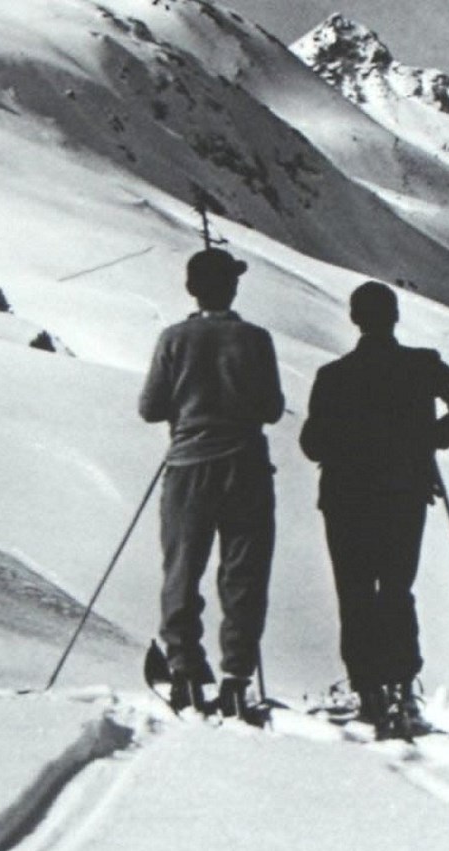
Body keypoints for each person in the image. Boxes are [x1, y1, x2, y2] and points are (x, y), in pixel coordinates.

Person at [299, 281, 449, 733]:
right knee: (397, 588)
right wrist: (430, 441)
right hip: (404, 492)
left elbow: (311, 443)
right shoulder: (421, 366)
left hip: (346, 498)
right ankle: (402, 686)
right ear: (395, 316)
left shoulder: (334, 376)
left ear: (355, 319)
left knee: (356, 591)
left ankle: (369, 692)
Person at [139, 247, 284, 718]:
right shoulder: (256, 339)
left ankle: (184, 671)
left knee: (182, 569)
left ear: (191, 289)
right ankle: (237, 677)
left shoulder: (173, 338)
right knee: (243, 574)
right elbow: (272, 410)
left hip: (188, 465)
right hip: (245, 466)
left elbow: (149, 408)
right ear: (233, 287)